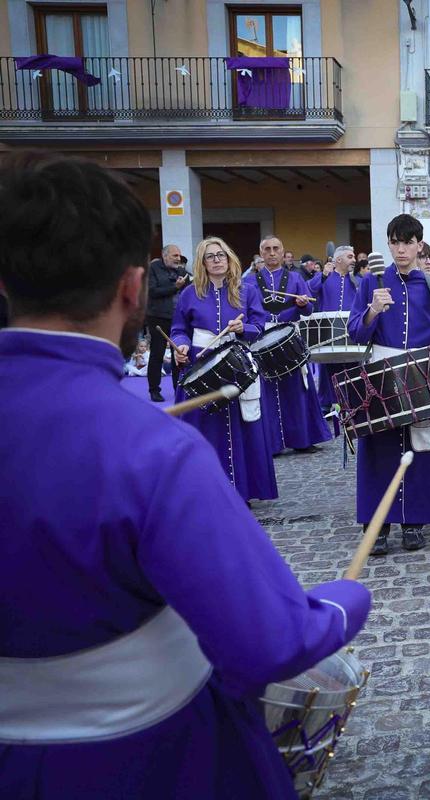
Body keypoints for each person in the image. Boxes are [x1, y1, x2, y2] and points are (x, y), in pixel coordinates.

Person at [0, 151, 371, 800]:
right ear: (132, 289)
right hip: (150, 763)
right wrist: (341, 607)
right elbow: (269, 646)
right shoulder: (152, 450)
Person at [347, 214, 430, 554]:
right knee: (379, 451)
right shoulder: (371, 283)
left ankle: (414, 521)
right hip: (381, 377)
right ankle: (377, 525)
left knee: (420, 450)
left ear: (419, 245)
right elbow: (355, 332)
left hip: (422, 377)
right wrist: (372, 312)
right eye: (395, 242)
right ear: (388, 243)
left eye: (408, 242)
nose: (401, 249)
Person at [172, 237, 279, 503]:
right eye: (210, 256)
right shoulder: (189, 293)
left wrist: (244, 329)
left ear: (229, 258)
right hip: (200, 364)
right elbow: (179, 330)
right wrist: (181, 347)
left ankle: (241, 490)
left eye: (221, 254)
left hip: (236, 365)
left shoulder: (247, 290)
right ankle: (206, 490)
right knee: (205, 426)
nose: (217, 260)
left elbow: (259, 325)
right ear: (202, 262)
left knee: (238, 427)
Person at [255, 236, 332, 455]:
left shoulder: (296, 278)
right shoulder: (251, 281)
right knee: (267, 391)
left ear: (282, 252)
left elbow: (308, 310)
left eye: (276, 249)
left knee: (298, 387)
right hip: (263, 339)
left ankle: (302, 439)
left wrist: (303, 304)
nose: (271, 253)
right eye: (267, 249)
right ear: (261, 254)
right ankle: (272, 443)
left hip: (290, 336)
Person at [308, 245, 360, 418]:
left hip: (350, 330)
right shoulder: (324, 276)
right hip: (327, 330)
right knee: (328, 368)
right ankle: (326, 402)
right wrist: (323, 274)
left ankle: (352, 401)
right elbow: (310, 290)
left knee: (352, 365)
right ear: (338, 260)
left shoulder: (356, 279)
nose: (354, 260)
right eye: (350, 257)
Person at [145, 244, 189, 401]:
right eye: (175, 255)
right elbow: (152, 291)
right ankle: (154, 390)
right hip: (157, 317)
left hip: (178, 318)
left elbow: (188, 290)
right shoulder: (153, 268)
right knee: (157, 353)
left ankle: (179, 388)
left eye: (179, 255)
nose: (178, 259)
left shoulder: (182, 271)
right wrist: (174, 287)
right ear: (165, 256)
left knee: (179, 353)